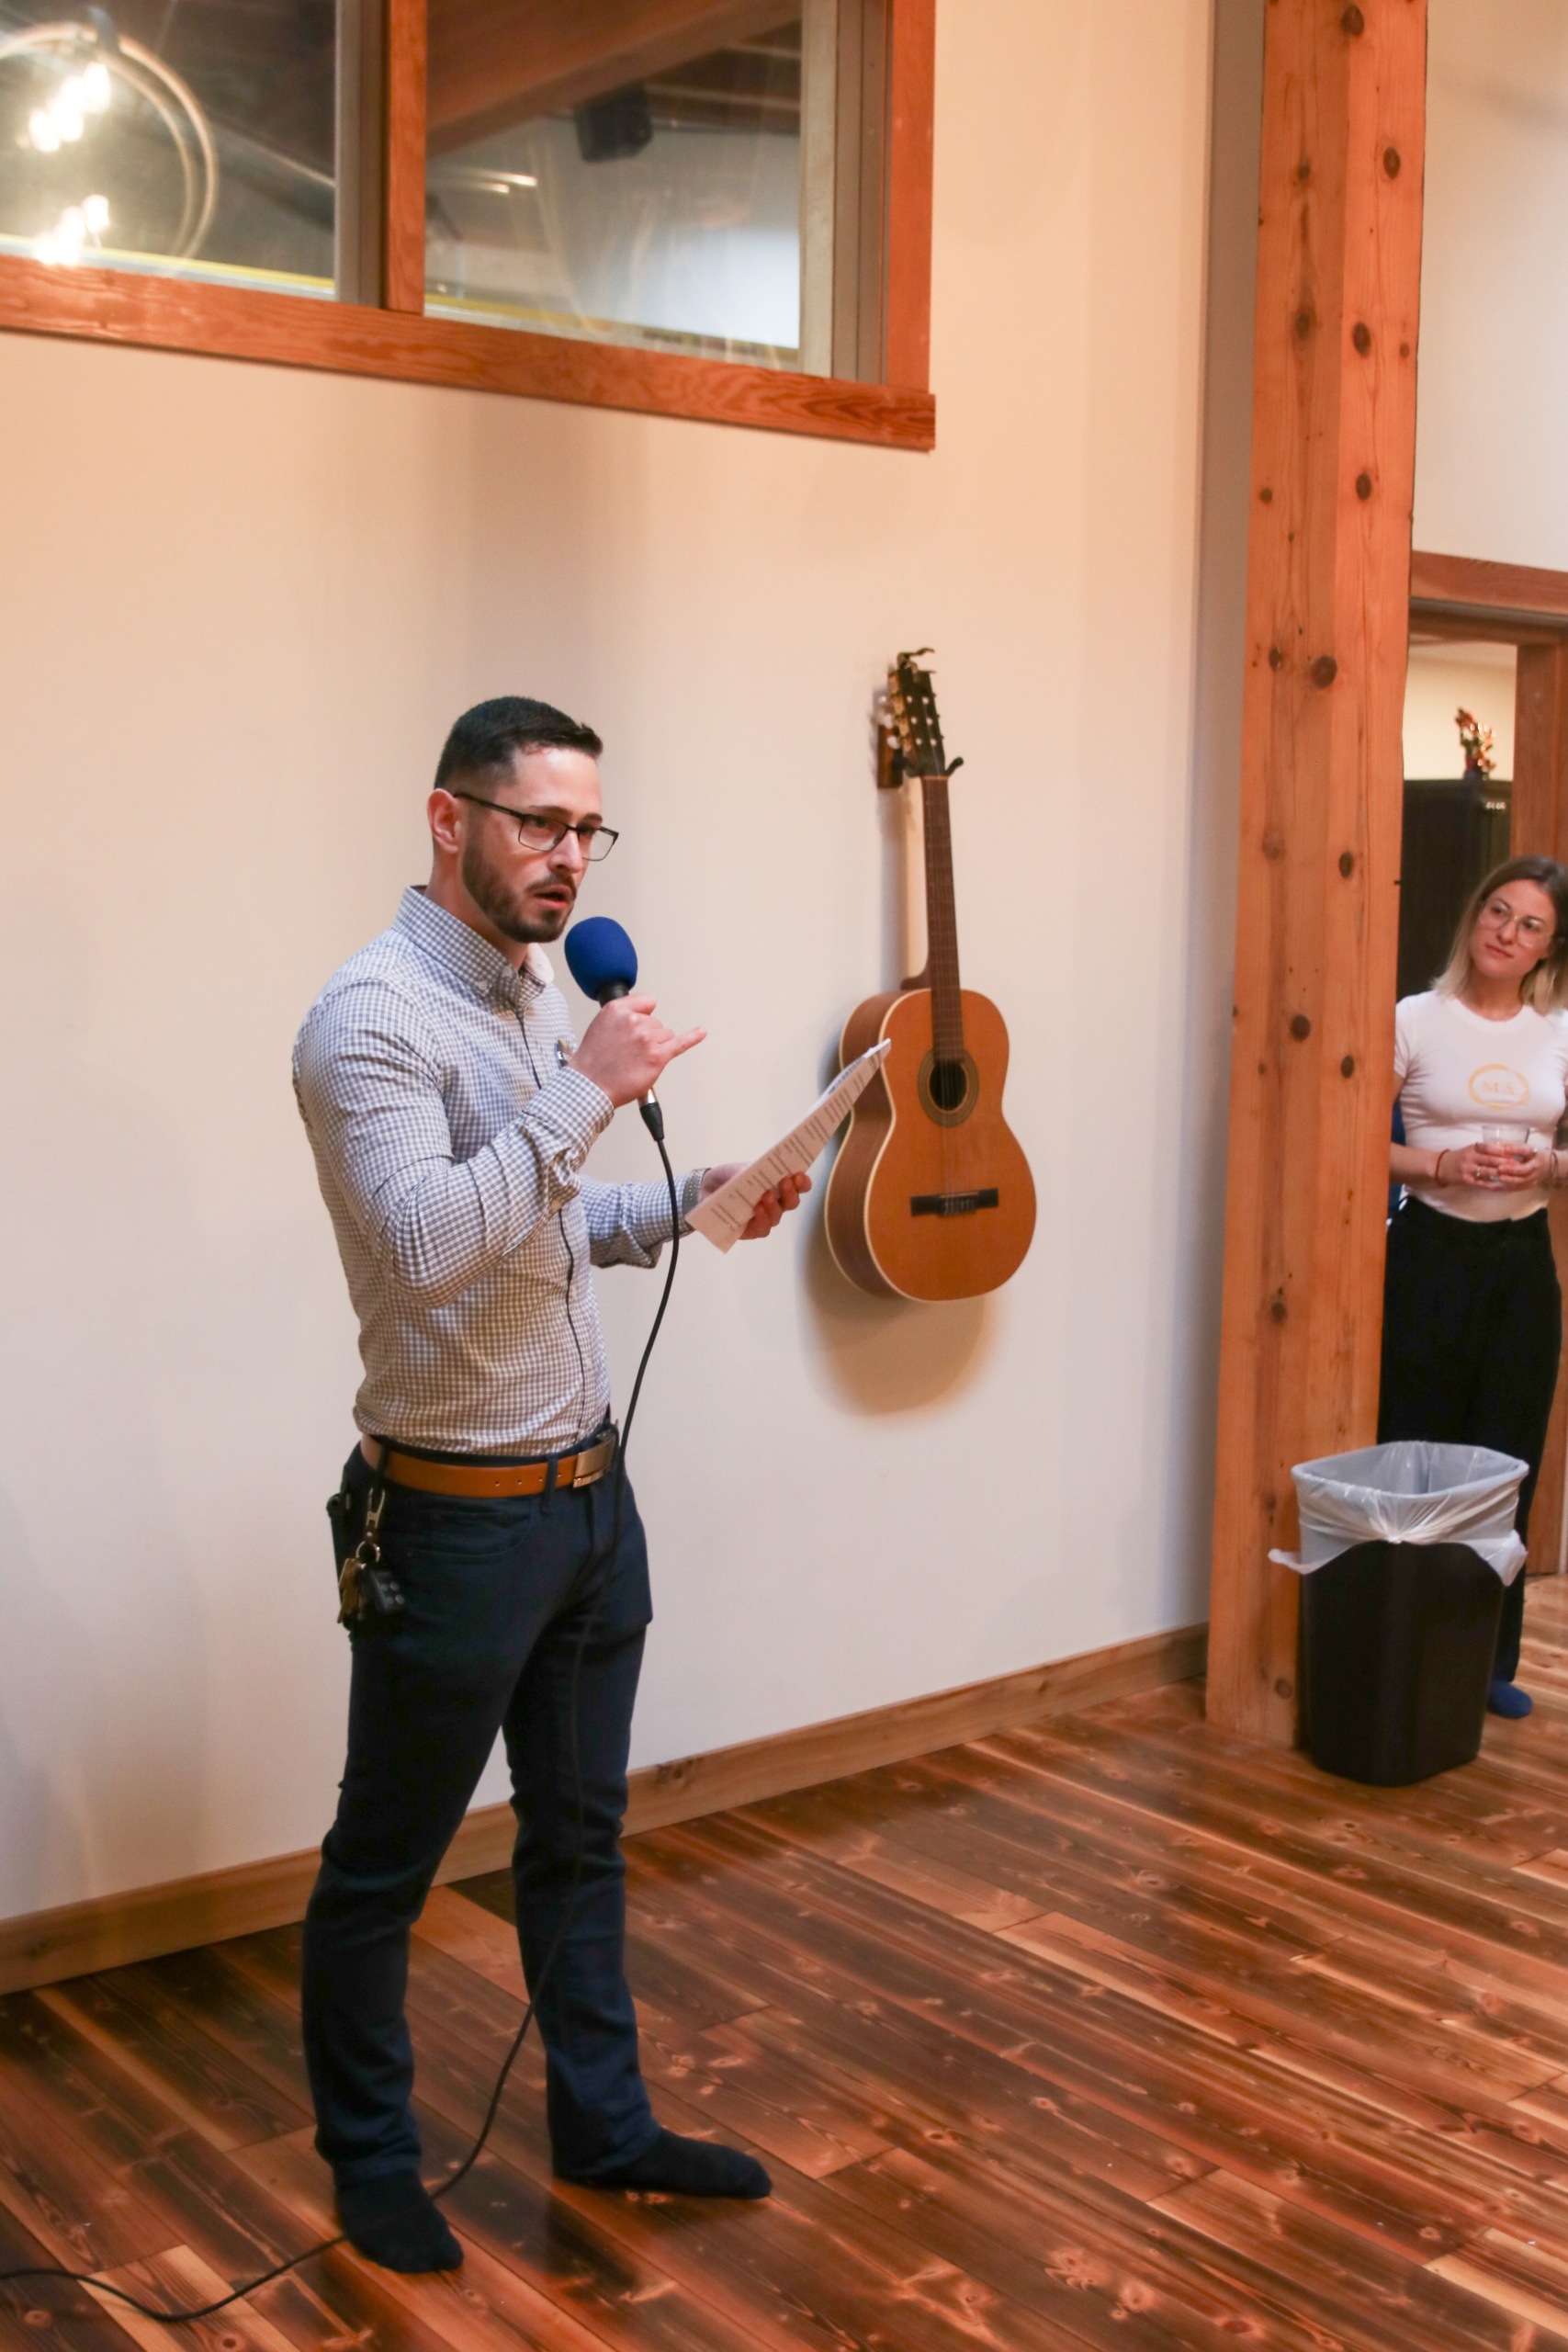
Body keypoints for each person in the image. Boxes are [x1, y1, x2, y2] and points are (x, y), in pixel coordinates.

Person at [291, 695, 808, 2274]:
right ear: (448, 819)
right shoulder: (369, 1020)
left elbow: (536, 1226)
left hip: (587, 1502)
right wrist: (584, 1091)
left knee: (579, 1842)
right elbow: (428, 1248)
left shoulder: (531, 1003)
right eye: (540, 823)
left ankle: (606, 2125)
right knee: (384, 1866)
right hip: (452, 1525)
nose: (570, 858)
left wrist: (687, 1201)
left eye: (590, 830)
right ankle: (371, 2163)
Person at [1382, 854, 1568, 1721]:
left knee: (1505, 1463)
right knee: (1415, 1453)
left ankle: (1488, 1661)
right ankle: (1402, 1649)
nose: (1506, 932)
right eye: (1497, 910)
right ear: (1474, 915)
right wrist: (1440, 1164)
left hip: (1521, 1264)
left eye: (1529, 925)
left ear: (1547, 948)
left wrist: (1549, 1165)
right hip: (1428, 1255)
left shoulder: (1557, 1031)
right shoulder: (1412, 1019)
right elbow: (1351, 1139)